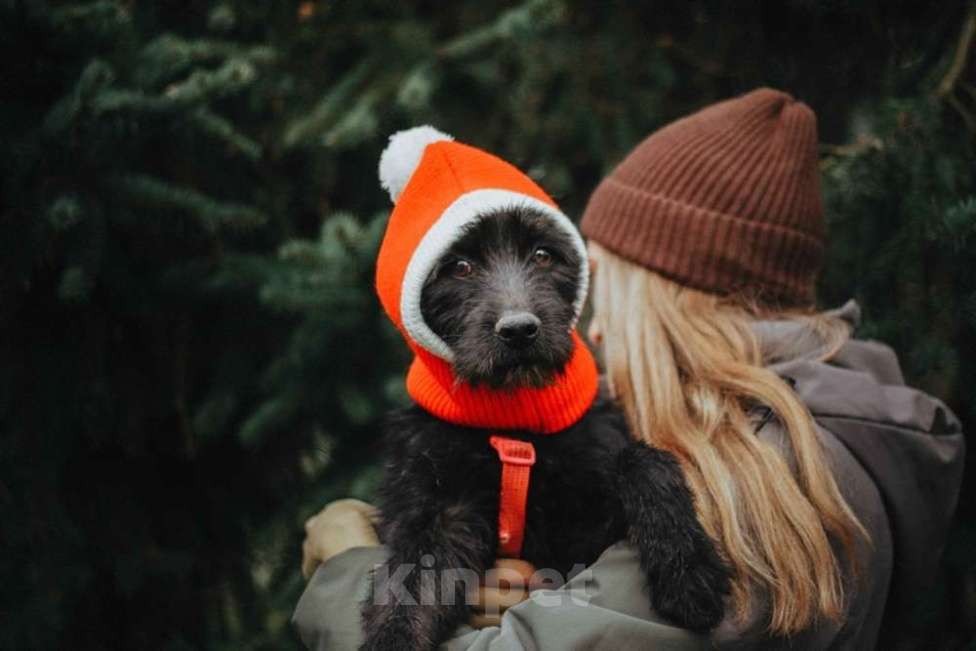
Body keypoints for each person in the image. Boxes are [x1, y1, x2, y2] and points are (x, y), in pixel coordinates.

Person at [292, 88, 965, 650]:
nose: (597, 324)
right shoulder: (843, 415)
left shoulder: (755, 482)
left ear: (671, 292)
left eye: (605, 280)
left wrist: (348, 566)